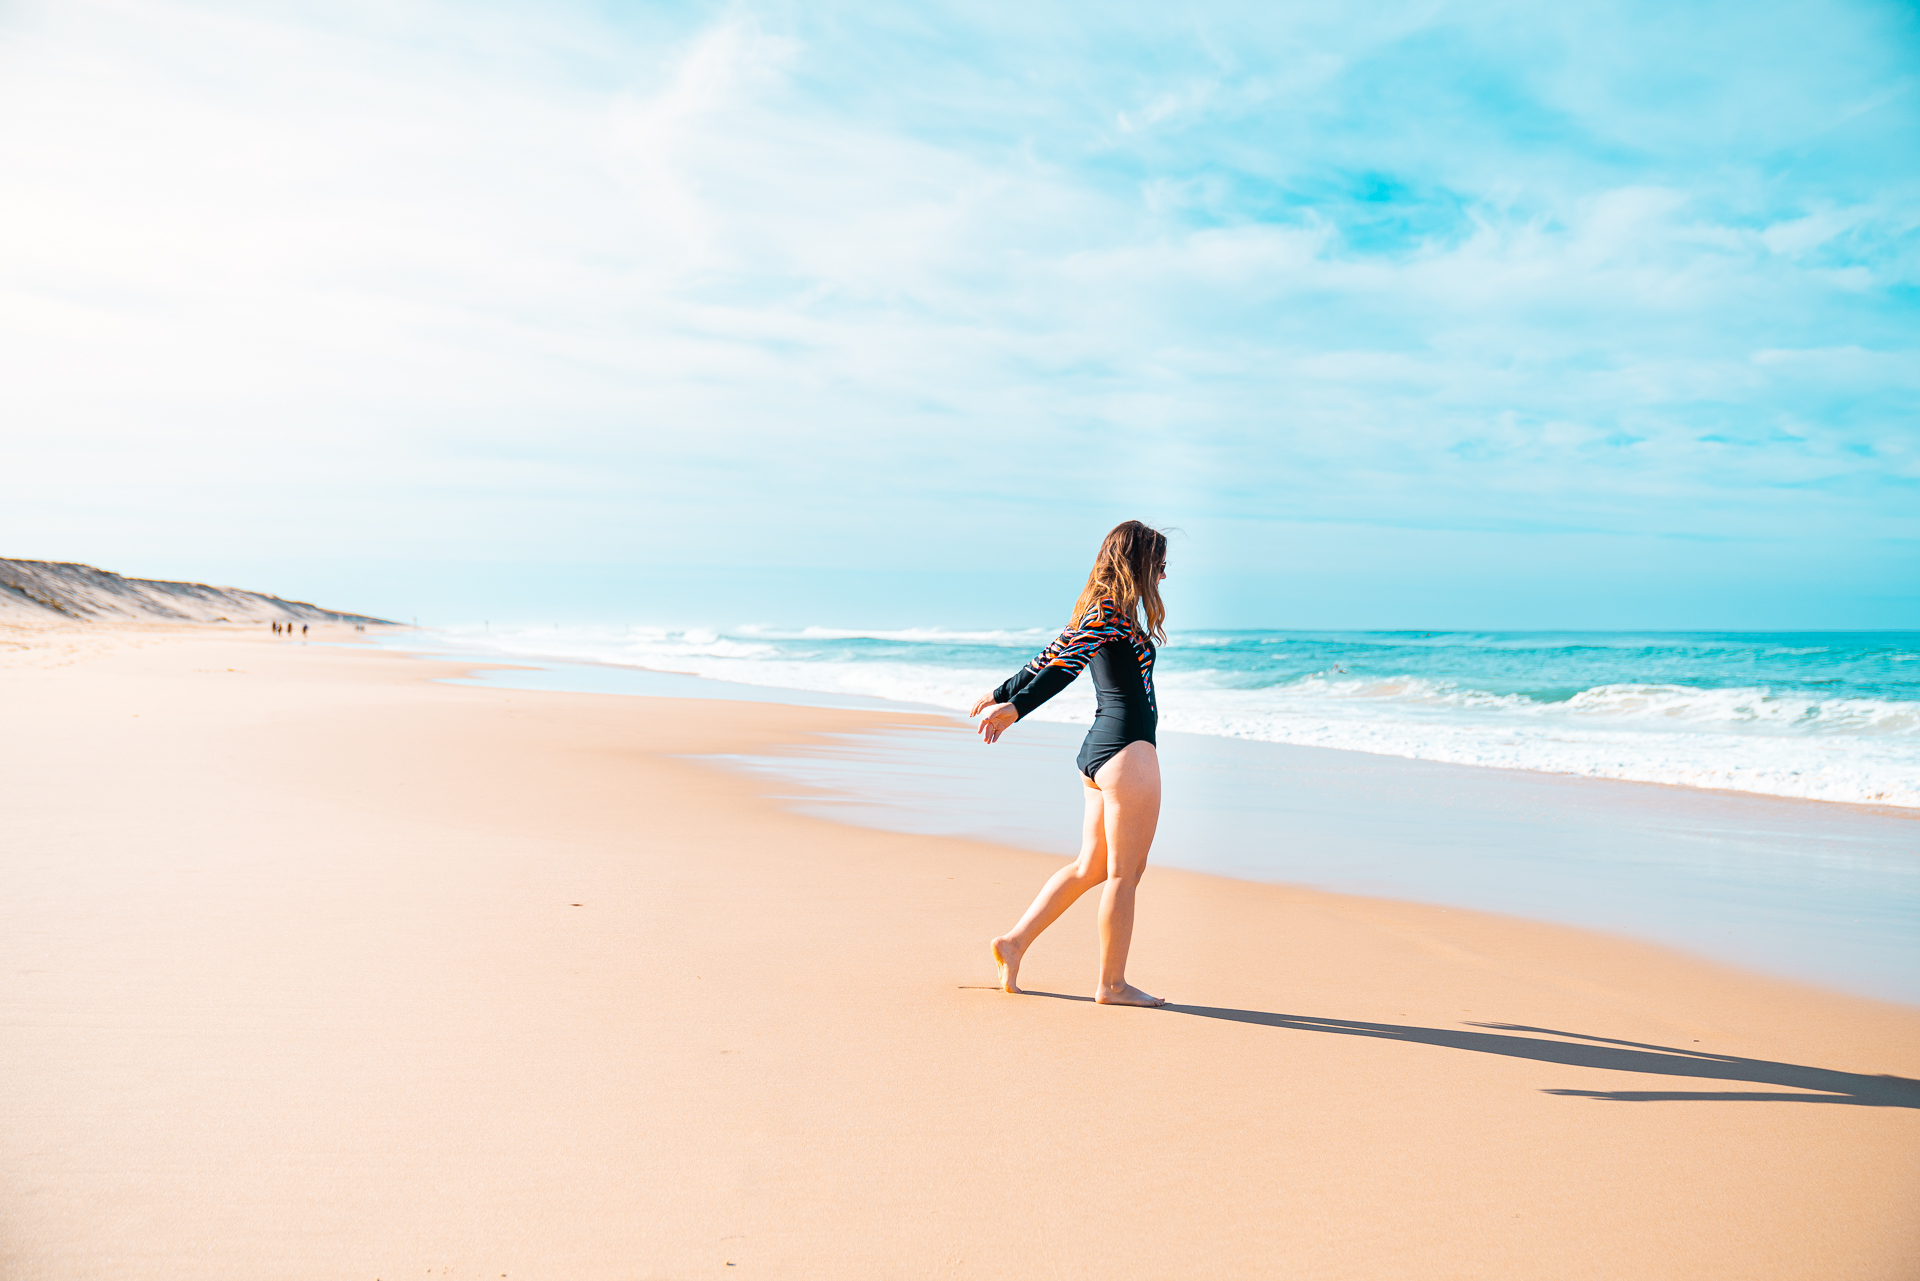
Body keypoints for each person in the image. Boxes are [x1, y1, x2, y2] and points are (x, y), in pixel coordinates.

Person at [973, 520, 1169, 1007]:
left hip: (1101, 753)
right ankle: (1113, 985)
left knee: (1091, 867)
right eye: (1160, 565)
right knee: (1125, 873)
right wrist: (1014, 709)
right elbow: (1062, 669)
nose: (1163, 576)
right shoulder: (1109, 614)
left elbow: (1047, 658)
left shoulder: (1101, 612)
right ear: (1139, 563)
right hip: (1128, 752)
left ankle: (1013, 943)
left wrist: (1002, 692)